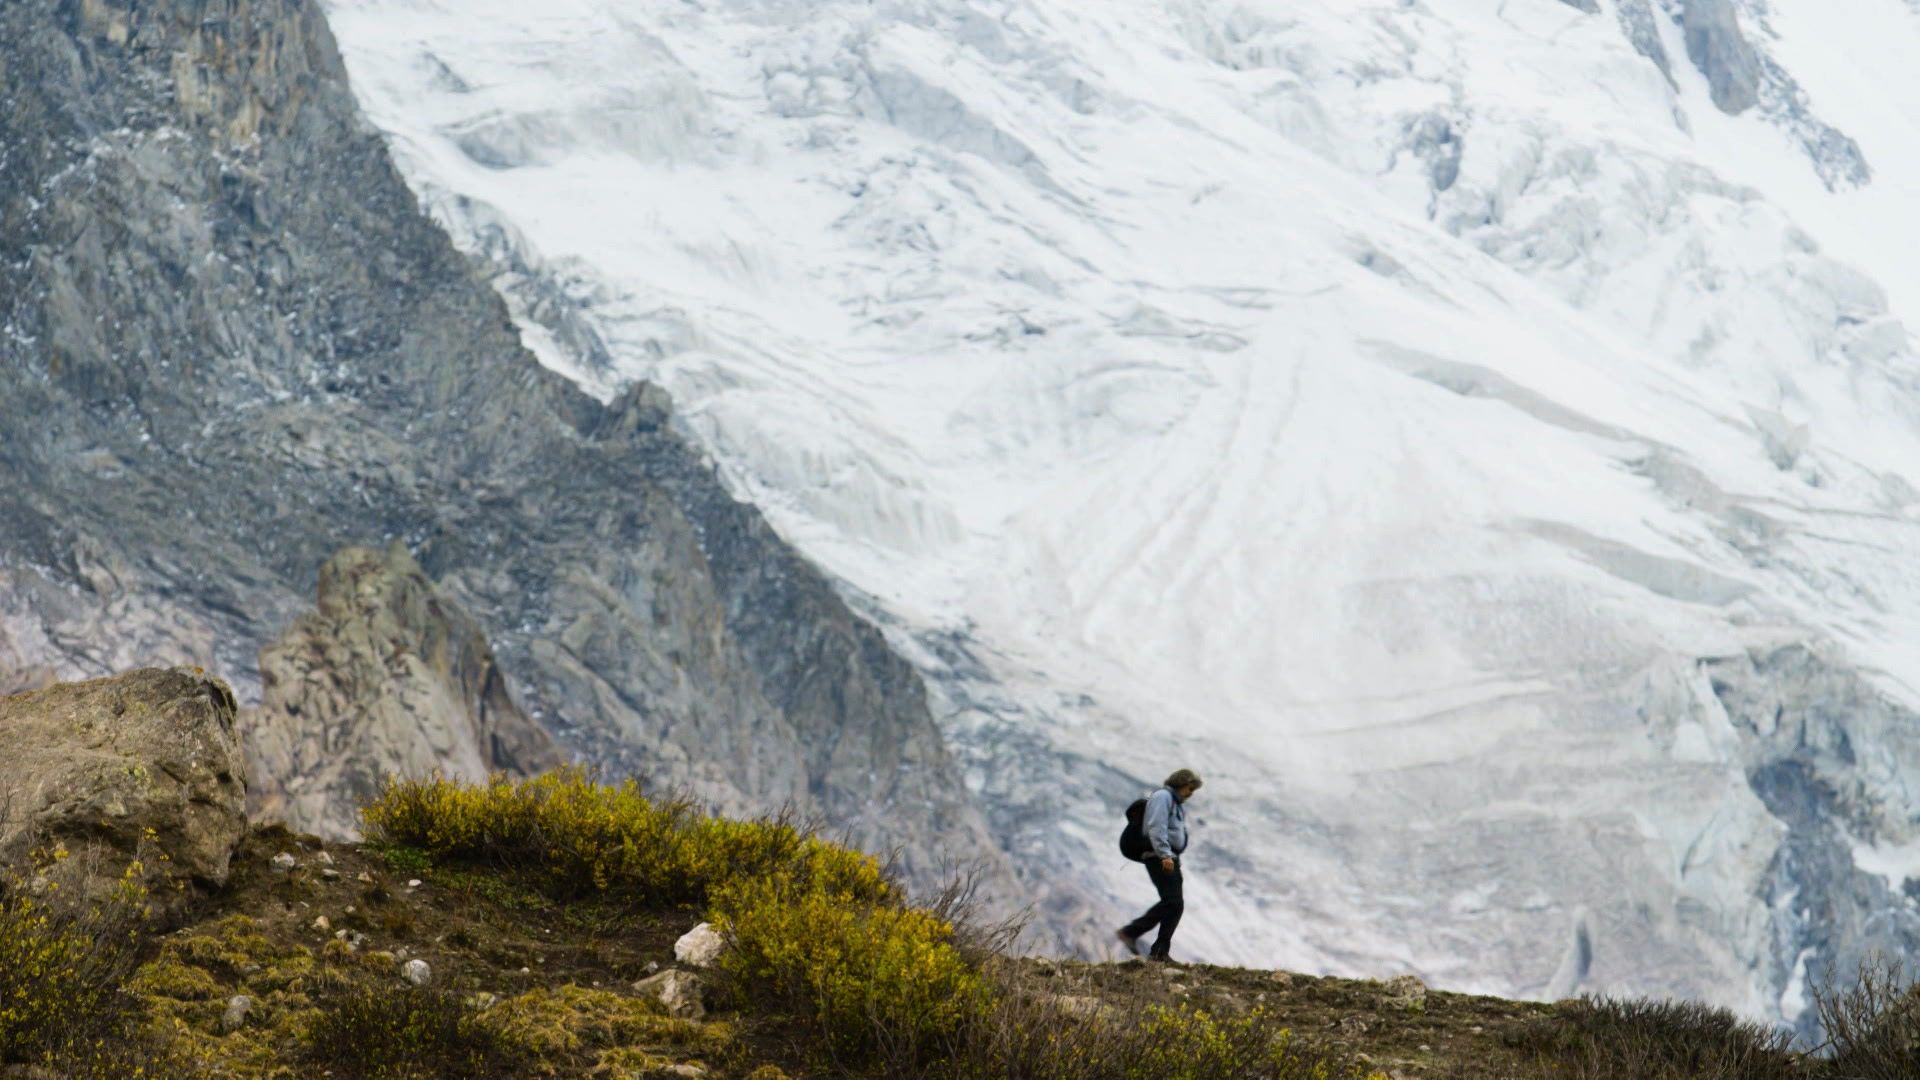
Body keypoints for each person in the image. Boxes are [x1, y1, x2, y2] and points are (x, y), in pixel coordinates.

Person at [1117, 768, 1201, 962]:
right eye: (1190, 788)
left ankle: (1159, 951)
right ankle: (1132, 934)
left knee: (1175, 904)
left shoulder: (1176, 804)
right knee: (1172, 902)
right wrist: (1164, 854)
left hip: (1169, 857)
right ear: (1181, 783)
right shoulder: (1163, 797)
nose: (1191, 793)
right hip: (1159, 857)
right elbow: (1156, 826)